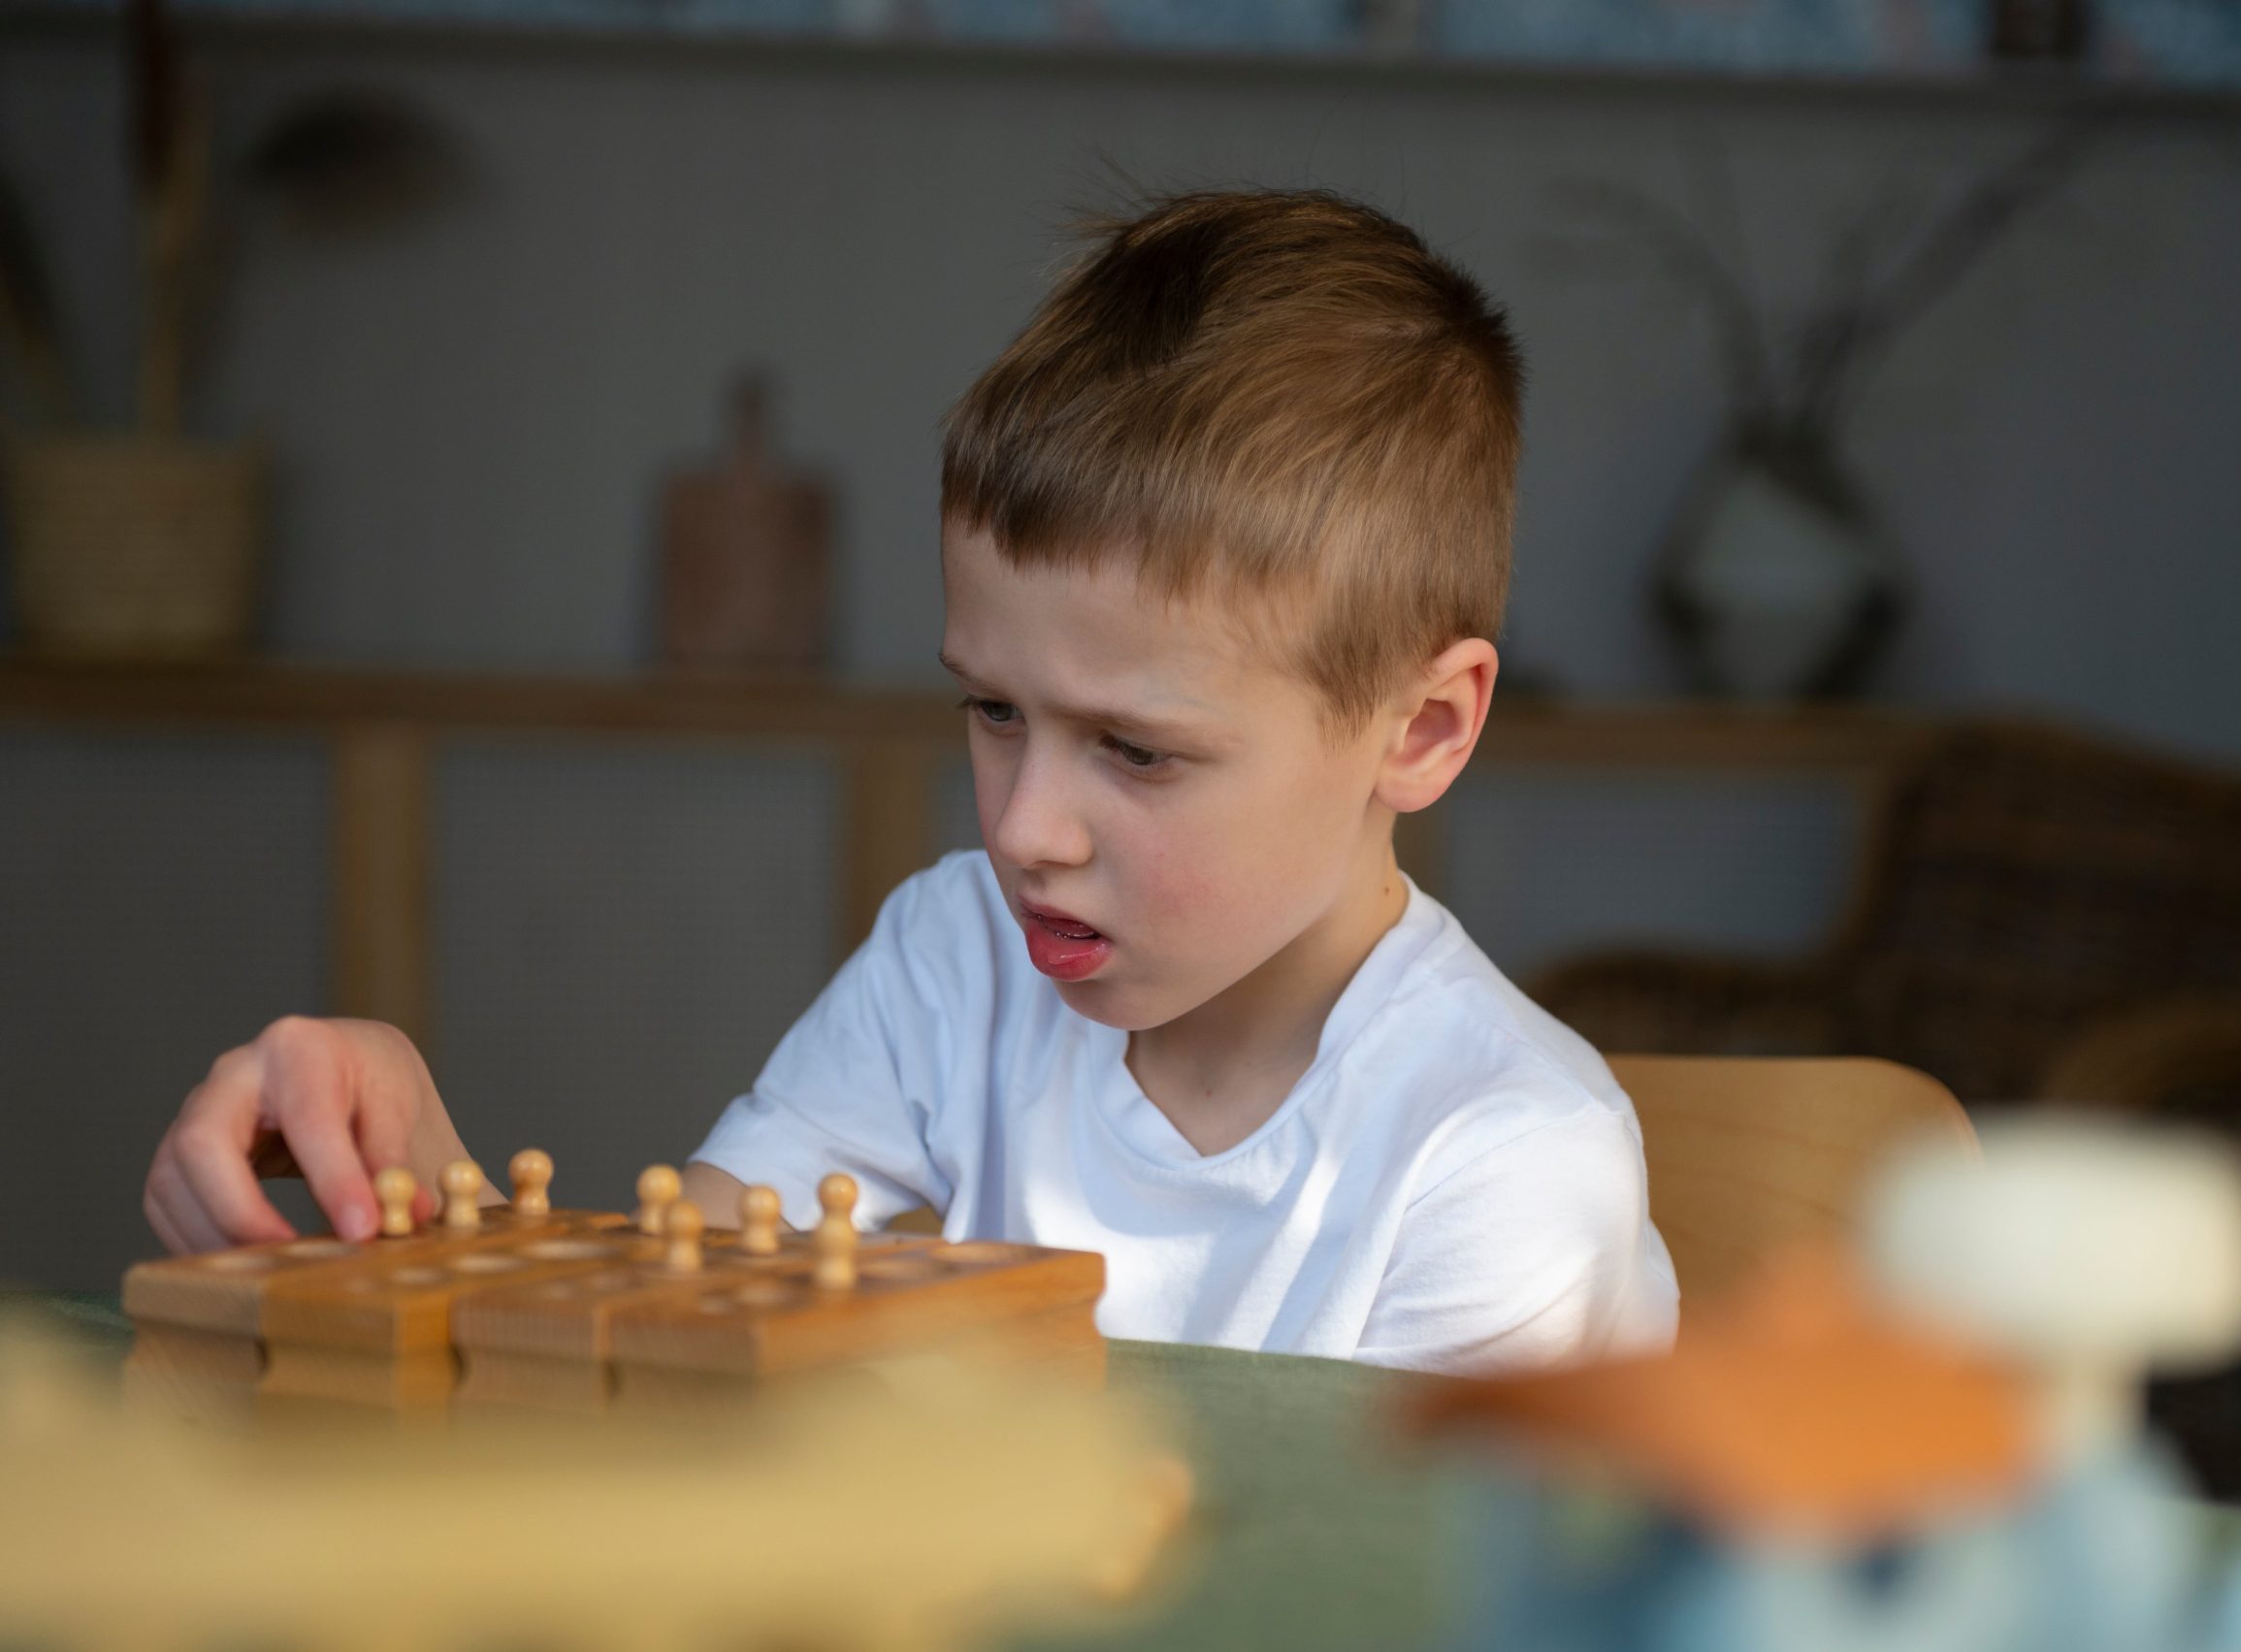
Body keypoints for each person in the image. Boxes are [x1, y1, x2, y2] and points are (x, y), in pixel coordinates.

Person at [141, 188, 1678, 1373]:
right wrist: (419, 1205)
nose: (1023, 830)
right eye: (994, 712)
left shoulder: (1509, 1164)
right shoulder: (957, 961)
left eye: (1137, 750)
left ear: (1420, 730)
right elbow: (679, 1329)